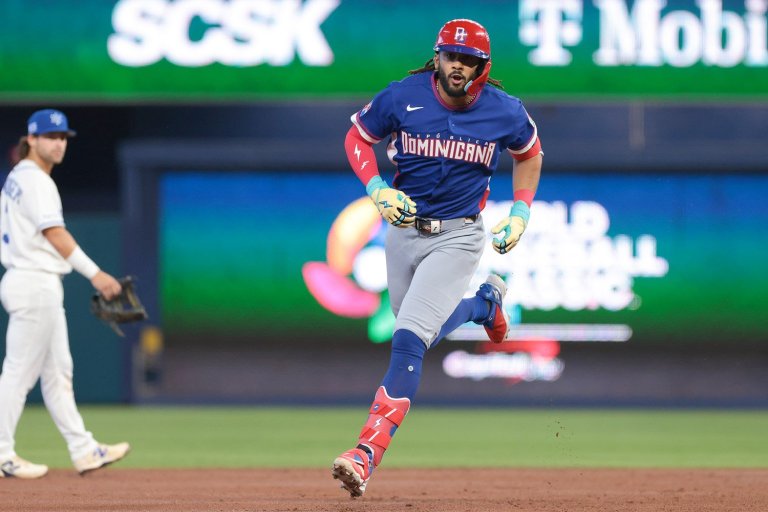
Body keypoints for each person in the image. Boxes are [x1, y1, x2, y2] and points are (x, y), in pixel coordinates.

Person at [332, 19, 543, 497]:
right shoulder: (403, 95)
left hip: (459, 236)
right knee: (419, 334)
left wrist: (520, 211)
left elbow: (529, 154)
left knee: (407, 341)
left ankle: (366, 453)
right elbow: (357, 138)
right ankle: (484, 305)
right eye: (451, 56)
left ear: (483, 67)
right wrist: (377, 188)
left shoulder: (504, 111)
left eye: (468, 60)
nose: (458, 65)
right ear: (438, 57)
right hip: (403, 229)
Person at [0, 109, 130, 478]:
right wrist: (96, 274)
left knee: (59, 373)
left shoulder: (17, 178)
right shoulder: (37, 181)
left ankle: (84, 449)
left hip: (30, 281)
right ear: (32, 139)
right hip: (33, 281)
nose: (59, 144)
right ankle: (1, 450)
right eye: (51, 137)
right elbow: (54, 233)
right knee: (18, 373)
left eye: (63, 138)